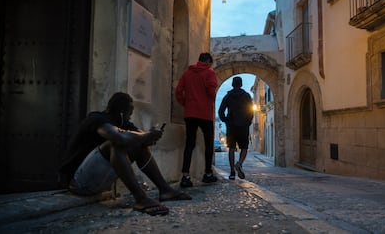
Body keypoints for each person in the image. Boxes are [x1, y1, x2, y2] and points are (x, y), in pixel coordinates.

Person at [59, 92, 191, 216]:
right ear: (122, 113)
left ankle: (165, 190)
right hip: (78, 182)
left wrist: (151, 136)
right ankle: (141, 198)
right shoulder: (96, 119)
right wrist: (147, 136)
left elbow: (141, 139)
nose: (130, 117)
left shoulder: (123, 123)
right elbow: (118, 137)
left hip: (98, 183)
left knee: (138, 146)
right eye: (129, 114)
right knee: (115, 144)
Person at [175, 52, 218, 187]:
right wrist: (208, 100)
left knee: (189, 144)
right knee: (209, 144)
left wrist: (186, 103)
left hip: (190, 113)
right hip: (205, 113)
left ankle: (185, 176)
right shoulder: (209, 72)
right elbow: (212, 92)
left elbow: (178, 91)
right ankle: (208, 174)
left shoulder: (188, 73)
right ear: (208, 62)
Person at [218, 76, 253, 180]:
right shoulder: (246, 96)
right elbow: (251, 111)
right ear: (241, 84)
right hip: (243, 125)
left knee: (231, 149)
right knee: (244, 148)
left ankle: (232, 172)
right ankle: (240, 163)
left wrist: (226, 120)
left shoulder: (228, 96)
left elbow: (220, 111)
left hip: (231, 126)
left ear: (233, 84)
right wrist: (248, 122)